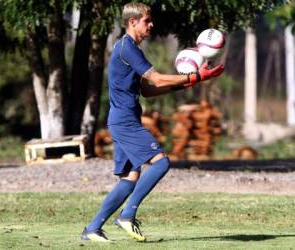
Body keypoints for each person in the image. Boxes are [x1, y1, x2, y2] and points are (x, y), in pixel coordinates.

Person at [81, 2, 224, 242]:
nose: (151, 24)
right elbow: (156, 77)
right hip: (125, 121)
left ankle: (92, 228)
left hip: (122, 119)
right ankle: (127, 215)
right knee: (160, 163)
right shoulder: (128, 48)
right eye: (147, 21)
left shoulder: (128, 48)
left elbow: (148, 89)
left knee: (130, 178)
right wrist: (195, 75)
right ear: (132, 22)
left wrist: (189, 82)